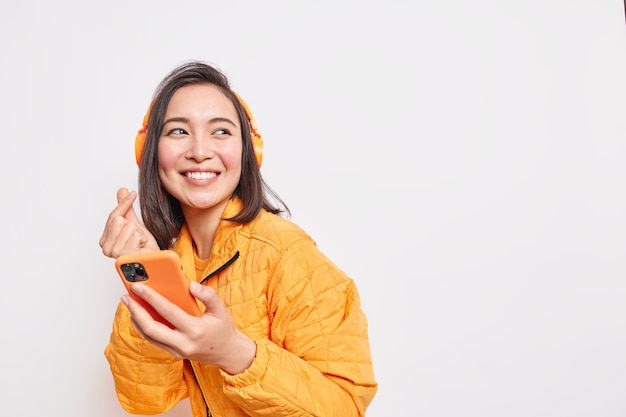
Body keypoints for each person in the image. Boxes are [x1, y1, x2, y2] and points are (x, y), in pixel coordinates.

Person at [99, 60, 378, 417]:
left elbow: (346, 408)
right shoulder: (174, 261)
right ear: (149, 153)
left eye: (220, 131)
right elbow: (144, 400)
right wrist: (146, 273)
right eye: (178, 131)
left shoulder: (287, 254)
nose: (199, 150)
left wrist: (236, 353)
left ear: (249, 152)